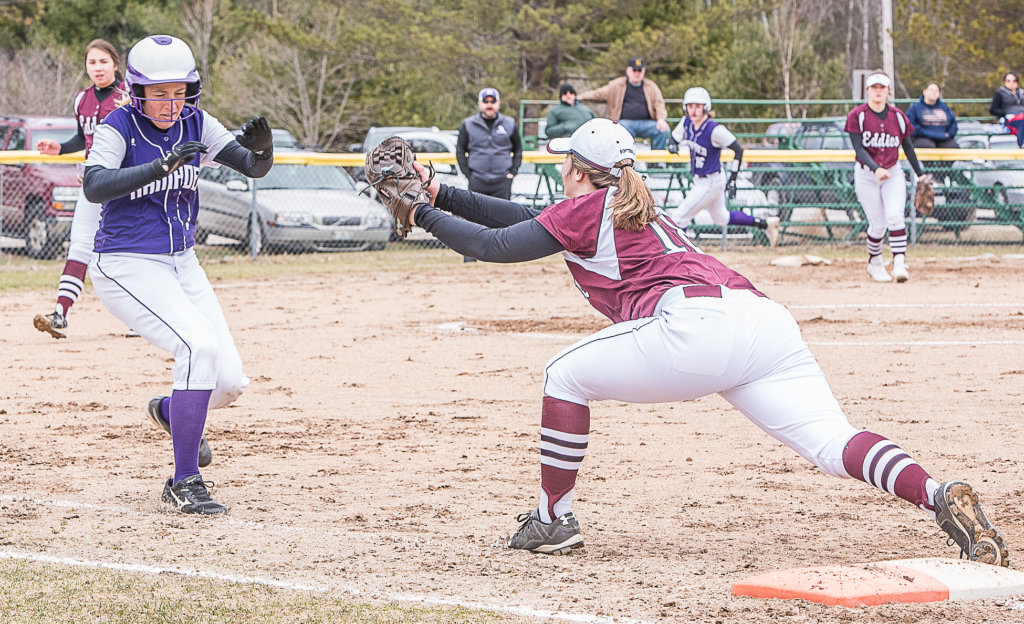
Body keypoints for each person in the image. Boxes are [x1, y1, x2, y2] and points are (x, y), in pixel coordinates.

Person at [379, 118, 1008, 566]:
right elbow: (522, 220)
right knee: (831, 441)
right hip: (764, 322)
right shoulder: (633, 205)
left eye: (565, 163)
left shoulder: (590, 206)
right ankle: (936, 493)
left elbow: (493, 245)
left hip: (695, 328)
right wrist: (436, 193)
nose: (561, 171)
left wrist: (419, 213)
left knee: (563, 375)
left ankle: (552, 519)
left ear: (578, 170)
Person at [82, 35, 273, 514]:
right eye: (159, 93)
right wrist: (157, 167)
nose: (171, 102)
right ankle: (184, 481)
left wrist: (263, 151)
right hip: (124, 262)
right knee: (197, 347)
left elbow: (251, 167)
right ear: (136, 91)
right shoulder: (117, 126)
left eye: (179, 91)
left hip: (182, 262)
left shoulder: (196, 120)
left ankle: (171, 411)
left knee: (228, 382)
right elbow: (94, 186)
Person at [33, 39, 127, 340]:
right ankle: (60, 314)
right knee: (80, 245)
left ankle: (146, 316)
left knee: (131, 251)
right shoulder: (81, 100)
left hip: (126, 185)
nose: (98, 68)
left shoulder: (129, 97)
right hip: (94, 184)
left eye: (103, 61)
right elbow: (82, 138)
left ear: (115, 64)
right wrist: (60, 148)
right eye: (92, 62)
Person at [666, 87, 780, 247]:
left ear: (706, 107)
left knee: (678, 218)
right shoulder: (686, 123)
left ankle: (680, 253)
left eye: (698, 106)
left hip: (710, 181)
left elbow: (738, 150)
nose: (693, 110)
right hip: (701, 180)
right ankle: (765, 224)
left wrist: (733, 178)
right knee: (721, 218)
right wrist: (672, 145)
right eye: (690, 106)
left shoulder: (715, 129)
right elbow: (673, 138)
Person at [844, 71, 929, 283]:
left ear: (888, 91)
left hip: (892, 173)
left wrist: (920, 174)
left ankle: (899, 262)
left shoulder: (898, 116)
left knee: (895, 217)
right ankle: (875, 263)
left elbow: (908, 147)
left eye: (882, 88)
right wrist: (875, 168)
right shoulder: (857, 115)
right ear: (867, 90)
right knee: (878, 224)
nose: (878, 91)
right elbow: (858, 148)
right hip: (866, 175)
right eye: (874, 87)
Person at [578, 57, 670, 154]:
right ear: (628, 71)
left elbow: (659, 103)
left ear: (643, 72)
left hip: (647, 123)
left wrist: (661, 119)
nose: (637, 73)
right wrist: (579, 97)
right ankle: (626, 160)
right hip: (625, 123)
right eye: (634, 70)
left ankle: (655, 161)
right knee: (619, 130)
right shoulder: (617, 85)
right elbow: (598, 94)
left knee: (664, 130)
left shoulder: (651, 86)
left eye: (639, 70)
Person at [456, 87, 522, 200]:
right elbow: (460, 150)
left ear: (499, 104)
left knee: (502, 211)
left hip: (502, 181)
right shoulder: (468, 124)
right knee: (474, 211)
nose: (489, 105)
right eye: (485, 101)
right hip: (477, 179)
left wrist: (512, 173)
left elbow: (518, 149)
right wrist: (468, 174)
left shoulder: (509, 123)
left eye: (493, 101)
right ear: (479, 104)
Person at [906, 82, 959, 149]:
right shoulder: (915, 108)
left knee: (953, 147)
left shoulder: (945, 108)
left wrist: (948, 134)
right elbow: (910, 124)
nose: (934, 93)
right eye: (931, 90)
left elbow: (953, 124)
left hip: (943, 138)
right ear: (924, 92)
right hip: (922, 138)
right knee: (927, 146)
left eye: (936, 91)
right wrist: (925, 133)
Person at [989, 72, 1024, 146]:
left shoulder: (1022, 93)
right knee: (1022, 121)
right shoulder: (1000, 93)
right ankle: (1021, 145)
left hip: (1022, 116)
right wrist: (1006, 112)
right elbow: (993, 110)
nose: (1011, 83)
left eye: (1014, 81)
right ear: (1005, 82)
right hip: (1009, 119)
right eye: (1008, 81)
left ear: (1017, 82)